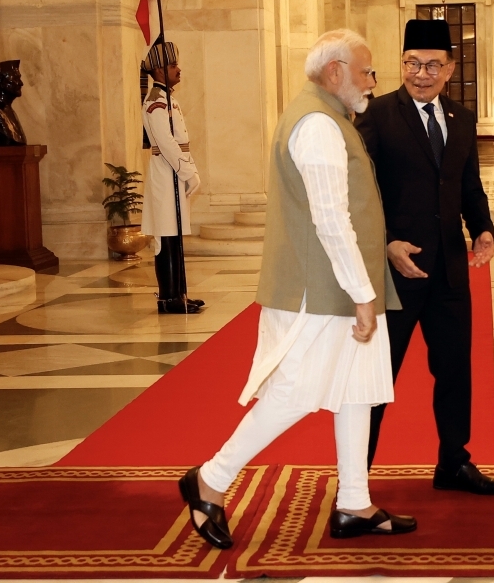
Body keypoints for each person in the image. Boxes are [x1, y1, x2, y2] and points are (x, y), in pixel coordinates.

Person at [178, 29, 416, 550]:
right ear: (335, 72)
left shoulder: (331, 118)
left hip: (342, 281)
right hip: (321, 288)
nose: (373, 82)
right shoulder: (317, 125)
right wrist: (362, 293)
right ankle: (210, 479)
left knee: (357, 390)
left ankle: (354, 502)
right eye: (366, 70)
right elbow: (330, 218)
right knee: (292, 392)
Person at [356, 19, 494, 496]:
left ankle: (453, 462)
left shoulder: (461, 120)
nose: (420, 74)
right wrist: (385, 243)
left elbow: (468, 185)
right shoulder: (377, 116)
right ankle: (355, 478)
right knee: (378, 378)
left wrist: (481, 227)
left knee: (455, 371)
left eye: (431, 65)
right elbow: (360, 191)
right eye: (411, 64)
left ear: (450, 68)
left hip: (448, 272)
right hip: (395, 271)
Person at [141, 42, 205, 314]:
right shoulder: (156, 102)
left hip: (174, 171)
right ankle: (168, 300)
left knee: (175, 236)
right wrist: (187, 171)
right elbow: (166, 143)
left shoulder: (168, 99)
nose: (178, 69)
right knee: (166, 237)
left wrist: (189, 170)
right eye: (172, 65)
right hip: (167, 172)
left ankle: (179, 294)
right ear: (158, 70)